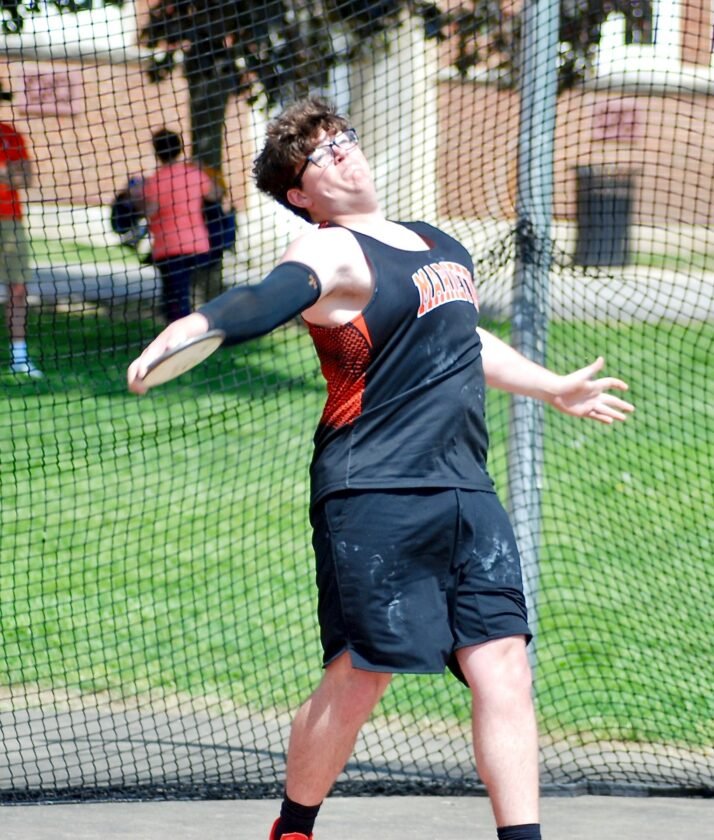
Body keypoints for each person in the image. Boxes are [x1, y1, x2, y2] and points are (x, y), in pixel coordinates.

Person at [127, 97, 635, 840]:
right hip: (375, 491)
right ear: (299, 195)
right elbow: (266, 298)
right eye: (319, 155)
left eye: (342, 139)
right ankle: (294, 828)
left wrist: (552, 386)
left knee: (505, 667)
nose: (340, 154)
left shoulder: (437, 242)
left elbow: (463, 338)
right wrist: (198, 324)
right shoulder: (329, 252)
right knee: (364, 675)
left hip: (467, 488)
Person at [130, 128, 223, 322]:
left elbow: (148, 210)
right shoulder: (194, 174)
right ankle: (191, 328)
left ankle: (181, 334)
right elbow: (216, 194)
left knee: (174, 296)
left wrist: (136, 196)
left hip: (169, 247)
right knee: (184, 293)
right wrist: (205, 170)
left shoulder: (156, 180)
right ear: (179, 148)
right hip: (197, 244)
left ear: (157, 152)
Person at [0, 120, 42, 378]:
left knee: (18, 288)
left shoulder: (10, 134)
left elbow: (25, 178)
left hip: (9, 220)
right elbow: (13, 175)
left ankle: (20, 358)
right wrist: (7, 173)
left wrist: (7, 174)